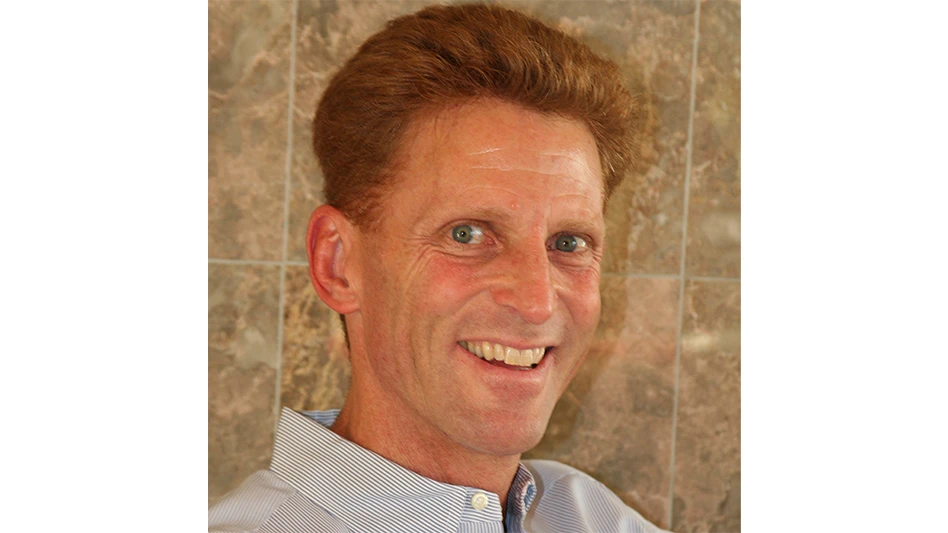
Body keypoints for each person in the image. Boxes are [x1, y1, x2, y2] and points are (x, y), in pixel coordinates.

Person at [210, 3, 666, 532]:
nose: (537, 302)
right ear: (337, 264)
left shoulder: (592, 517)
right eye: (466, 234)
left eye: (568, 242)